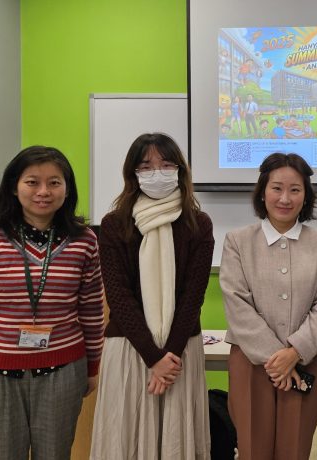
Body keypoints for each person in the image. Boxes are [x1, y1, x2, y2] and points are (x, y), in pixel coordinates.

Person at [90, 133, 214, 459]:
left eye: (166, 164)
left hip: (180, 350)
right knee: (125, 440)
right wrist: (153, 357)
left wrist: (167, 356)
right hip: (131, 348)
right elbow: (118, 296)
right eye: (146, 166)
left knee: (176, 440)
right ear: (132, 174)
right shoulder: (114, 224)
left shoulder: (199, 224)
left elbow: (193, 297)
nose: (157, 172)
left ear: (180, 171)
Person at [0, 146, 105, 459]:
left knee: (55, 454)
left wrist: (93, 366)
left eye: (54, 182)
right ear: (14, 186)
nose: (43, 191)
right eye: (32, 182)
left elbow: (90, 309)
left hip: (63, 370)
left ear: (67, 188)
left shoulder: (85, 240)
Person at [220, 152, 317, 459]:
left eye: (295, 189)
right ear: (262, 191)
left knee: (294, 448)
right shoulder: (237, 241)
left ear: (305, 195)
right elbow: (236, 303)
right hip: (250, 361)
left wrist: (294, 352)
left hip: (302, 360)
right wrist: (277, 359)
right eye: (276, 188)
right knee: (252, 448)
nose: (285, 198)